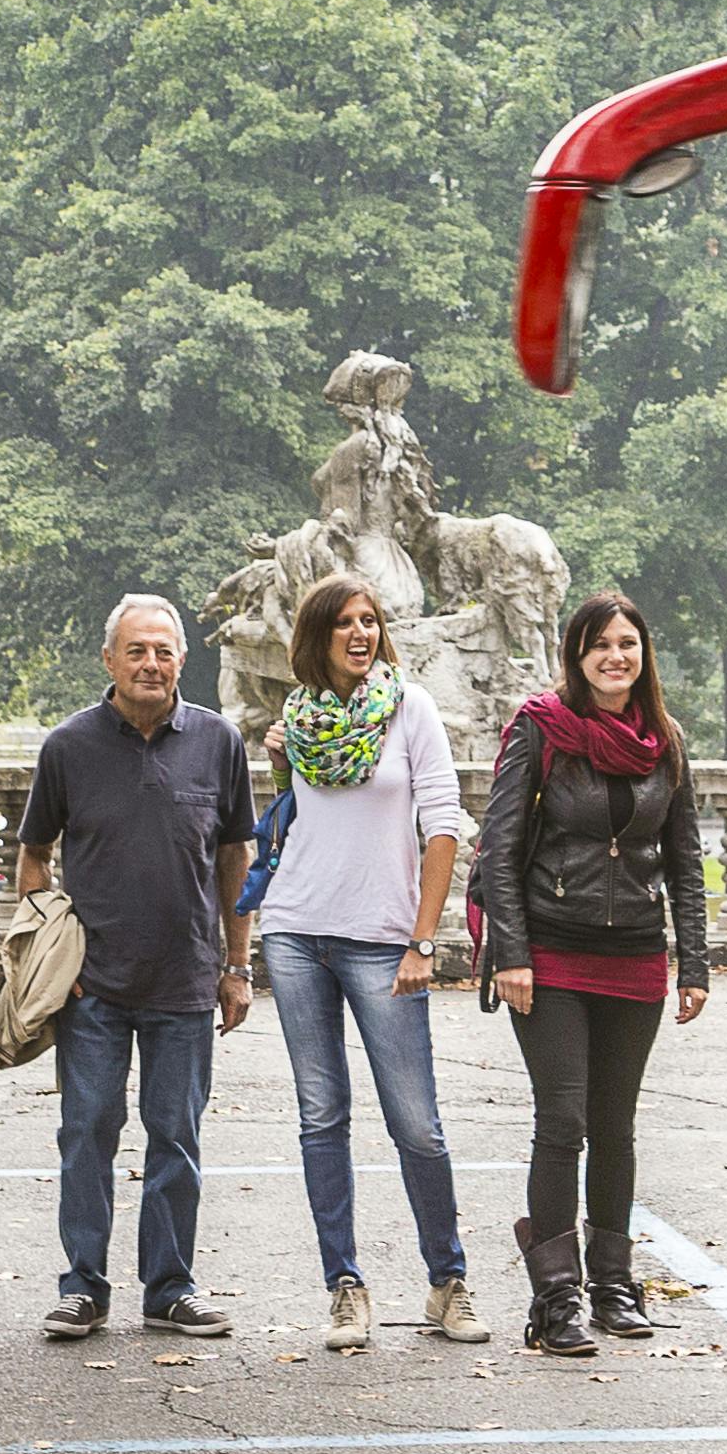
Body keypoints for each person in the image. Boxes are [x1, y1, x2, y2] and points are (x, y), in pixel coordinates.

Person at [252, 574, 490, 1349]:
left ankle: (447, 1282)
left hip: (384, 941)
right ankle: (344, 1287)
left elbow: (444, 824)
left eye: (369, 621)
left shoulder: (408, 708)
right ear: (316, 635)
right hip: (294, 931)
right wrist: (277, 759)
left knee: (416, 1124)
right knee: (321, 1116)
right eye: (343, 623)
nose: (360, 633)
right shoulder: (295, 719)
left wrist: (423, 940)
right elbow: (294, 825)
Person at [11, 593, 256, 1341]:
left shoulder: (219, 741)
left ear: (182, 659)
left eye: (163, 650)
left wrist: (238, 964)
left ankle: (170, 1286)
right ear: (110, 659)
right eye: (136, 650)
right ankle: (82, 1286)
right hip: (94, 987)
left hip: (185, 979)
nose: (150, 663)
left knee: (175, 1135)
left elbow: (235, 857)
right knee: (86, 1129)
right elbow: (31, 855)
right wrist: (54, 953)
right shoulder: (68, 746)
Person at [474, 590, 711, 1355]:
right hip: (550, 955)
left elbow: (685, 859)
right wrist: (509, 952)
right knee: (563, 1121)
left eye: (628, 643)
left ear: (644, 655)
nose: (616, 655)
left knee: (616, 1127)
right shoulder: (542, 730)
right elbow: (497, 849)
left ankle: (613, 1283)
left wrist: (695, 961)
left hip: (635, 955)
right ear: (576, 656)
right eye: (599, 644)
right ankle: (557, 1298)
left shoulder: (663, 740)